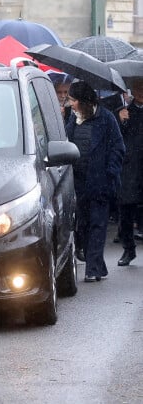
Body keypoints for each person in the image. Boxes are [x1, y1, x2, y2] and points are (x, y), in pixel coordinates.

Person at [65, 81, 125, 282]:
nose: (70, 104)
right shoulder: (73, 119)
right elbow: (65, 143)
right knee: (82, 224)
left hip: (100, 181)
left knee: (98, 225)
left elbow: (118, 148)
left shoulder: (106, 118)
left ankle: (93, 268)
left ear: (82, 101)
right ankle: (96, 264)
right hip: (77, 182)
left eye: (72, 100)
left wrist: (110, 172)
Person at [115, 78, 143, 266]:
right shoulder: (124, 112)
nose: (140, 91)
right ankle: (128, 249)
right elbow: (115, 139)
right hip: (129, 168)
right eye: (138, 87)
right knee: (125, 210)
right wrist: (121, 121)